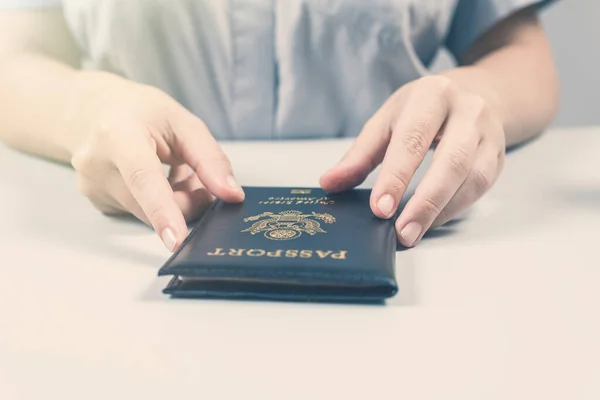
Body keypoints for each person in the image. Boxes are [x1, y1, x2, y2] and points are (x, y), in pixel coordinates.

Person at [0, 0, 559, 252]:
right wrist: (87, 109)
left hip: (410, 229)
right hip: (124, 236)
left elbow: (517, 49)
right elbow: (16, 58)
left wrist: (479, 96)